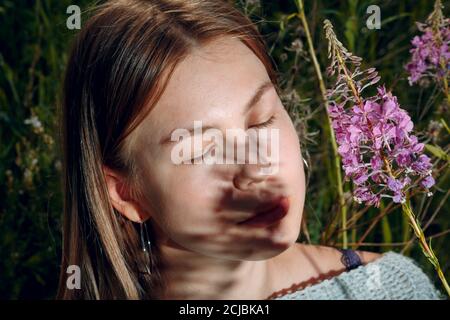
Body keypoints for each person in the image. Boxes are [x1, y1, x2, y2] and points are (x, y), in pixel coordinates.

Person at [57, 0, 442, 300]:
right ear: (126, 193)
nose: (256, 167)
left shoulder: (391, 287)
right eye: (203, 150)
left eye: (261, 123)